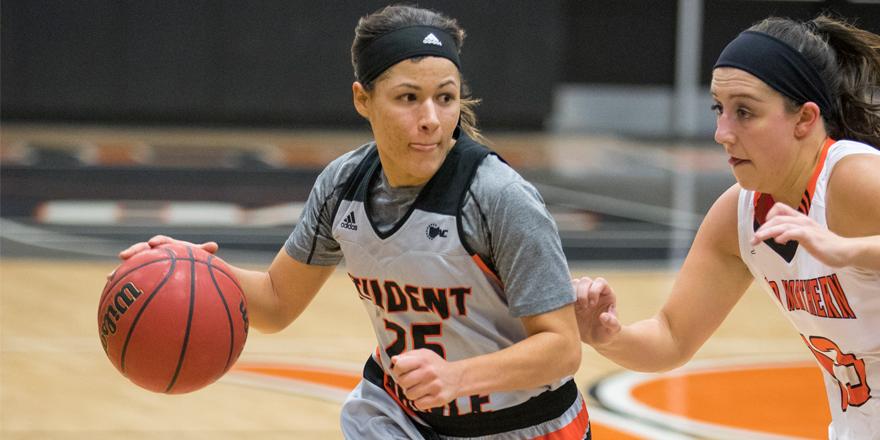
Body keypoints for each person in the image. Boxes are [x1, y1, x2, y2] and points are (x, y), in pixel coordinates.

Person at [119, 5, 590, 439]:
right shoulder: (343, 185)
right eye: (408, 97)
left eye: (445, 98)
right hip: (401, 417)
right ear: (363, 100)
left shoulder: (499, 197)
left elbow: (562, 347)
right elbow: (278, 303)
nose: (431, 119)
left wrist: (456, 376)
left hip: (527, 425)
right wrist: (188, 265)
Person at [573, 15, 880, 439]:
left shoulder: (852, 179)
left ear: (805, 119)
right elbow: (670, 337)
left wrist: (851, 251)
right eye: (719, 109)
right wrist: (606, 335)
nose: (721, 133)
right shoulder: (737, 214)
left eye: (745, 112)